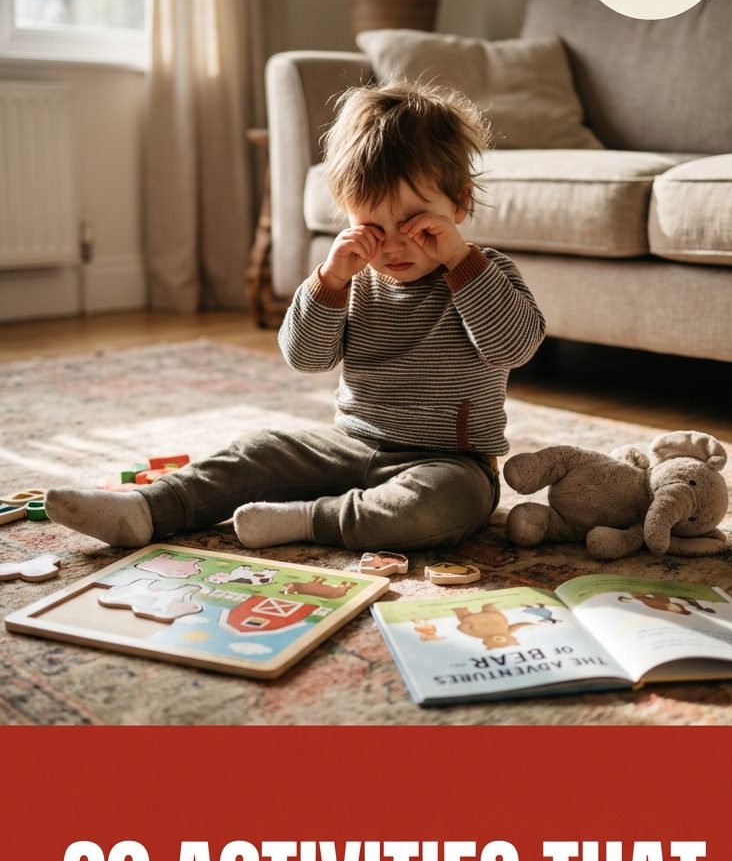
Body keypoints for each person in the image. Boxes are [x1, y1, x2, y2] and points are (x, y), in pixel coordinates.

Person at [46, 80, 545, 553]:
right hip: (349, 444)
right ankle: (148, 510)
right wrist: (328, 282)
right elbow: (305, 357)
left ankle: (309, 519)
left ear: (458, 204)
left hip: (448, 463)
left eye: (413, 223)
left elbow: (516, 346)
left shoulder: (483, 273)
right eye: (371, 225)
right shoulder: (350, 280)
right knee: (260, 450)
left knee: (442, 508)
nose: (391, 244)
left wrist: (462, 261)